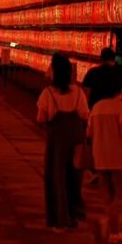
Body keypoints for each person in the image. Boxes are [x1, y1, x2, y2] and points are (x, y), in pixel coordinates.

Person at [35, 53, 91, 231]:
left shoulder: (48, 93)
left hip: (56, 144)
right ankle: (73, 214)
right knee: (74, 179)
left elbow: (41, 118)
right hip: (76, 141)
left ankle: (60, 219)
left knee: (56, 178)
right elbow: (85, 115)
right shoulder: (78, 92)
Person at [86, 77, 122, 244]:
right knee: (121, 196)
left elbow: (89, 133)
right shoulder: (121, 107)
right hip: (119, 156)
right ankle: (112, 228)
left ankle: (110, 226)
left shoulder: (96, 107)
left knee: (107, 194)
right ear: (120, 91)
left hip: (100, 155)